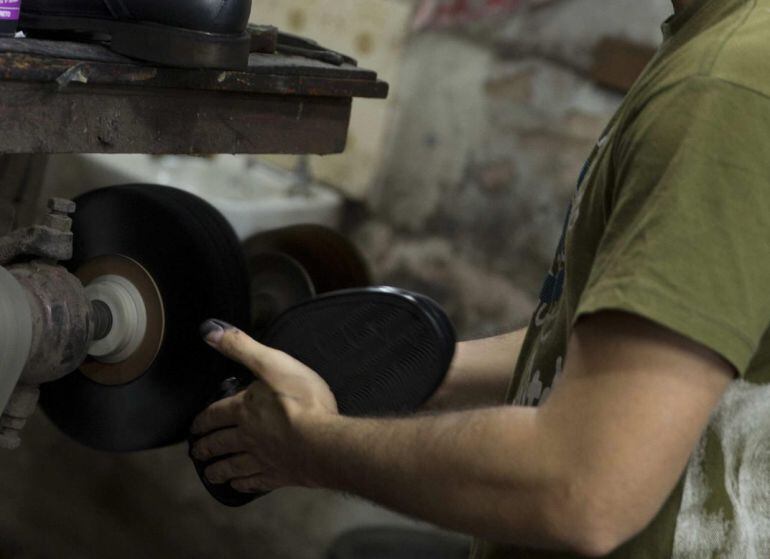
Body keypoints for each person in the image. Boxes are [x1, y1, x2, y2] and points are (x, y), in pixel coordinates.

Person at [190, 0, 770, 556]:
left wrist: (309, 446)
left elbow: (581, 487)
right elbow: (606, 342)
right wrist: (372, 370)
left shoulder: (722, 87)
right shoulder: (715, 49)